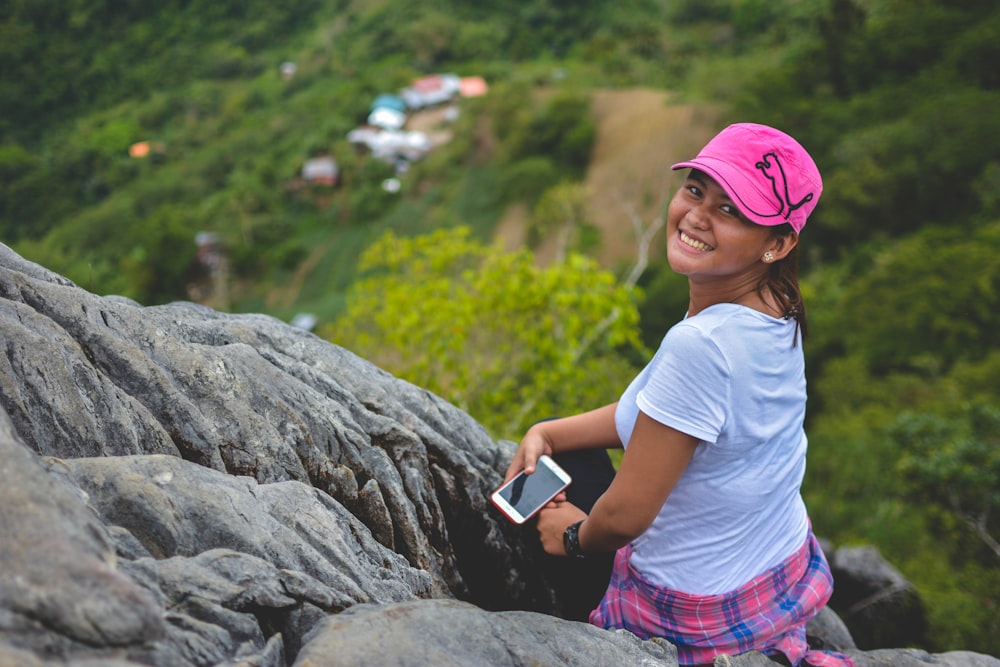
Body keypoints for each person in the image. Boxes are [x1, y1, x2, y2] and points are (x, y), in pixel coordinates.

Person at [503, 123, 853, 666]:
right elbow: (648, 416)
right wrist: (547, 430)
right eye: (696, 189)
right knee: (561, 450)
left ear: (778, 243)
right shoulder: (777, 311)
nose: (697, 215)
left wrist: (569, 536)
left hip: (691, 617)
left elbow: (625, 518)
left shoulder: (701, 345)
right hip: (772, 575)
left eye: (732, 210)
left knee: (524, 506)